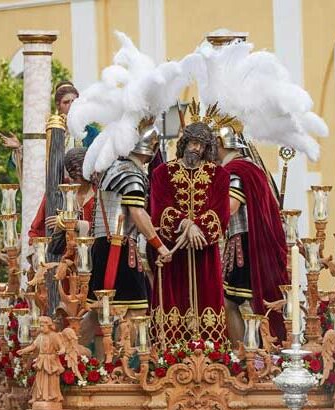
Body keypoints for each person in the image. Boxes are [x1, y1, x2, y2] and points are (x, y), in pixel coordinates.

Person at [83, 123, 169, 344]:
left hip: (105, 245)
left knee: (98, 311)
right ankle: (126, 361)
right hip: (119, 247)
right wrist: (159, 246)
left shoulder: (114, 168)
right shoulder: (131, 173)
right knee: (136, 309)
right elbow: (137, 212)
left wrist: (151, 228)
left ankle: (72, 355)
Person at [150, 121, 230, 341]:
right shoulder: (162, 173)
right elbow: (159, 210)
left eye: (202, 145)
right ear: (184, 142)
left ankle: (210, 352)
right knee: (173, 301)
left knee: (207, 298)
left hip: (205, 253)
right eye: (194, 142)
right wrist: (186, 225)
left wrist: (197, 229)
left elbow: (221, 214)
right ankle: (170, 352)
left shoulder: (219, 175)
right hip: (173, 253)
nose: (197, 148)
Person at [214, 118, 288, 345]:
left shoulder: (234, 171)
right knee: (250, 300)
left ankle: (243, 352)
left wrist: (202, 216)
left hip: (243, 244)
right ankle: (258, 350)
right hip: (255, 242)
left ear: (221, 144)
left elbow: (230, 207)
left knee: (231, 301)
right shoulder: (252, 167)